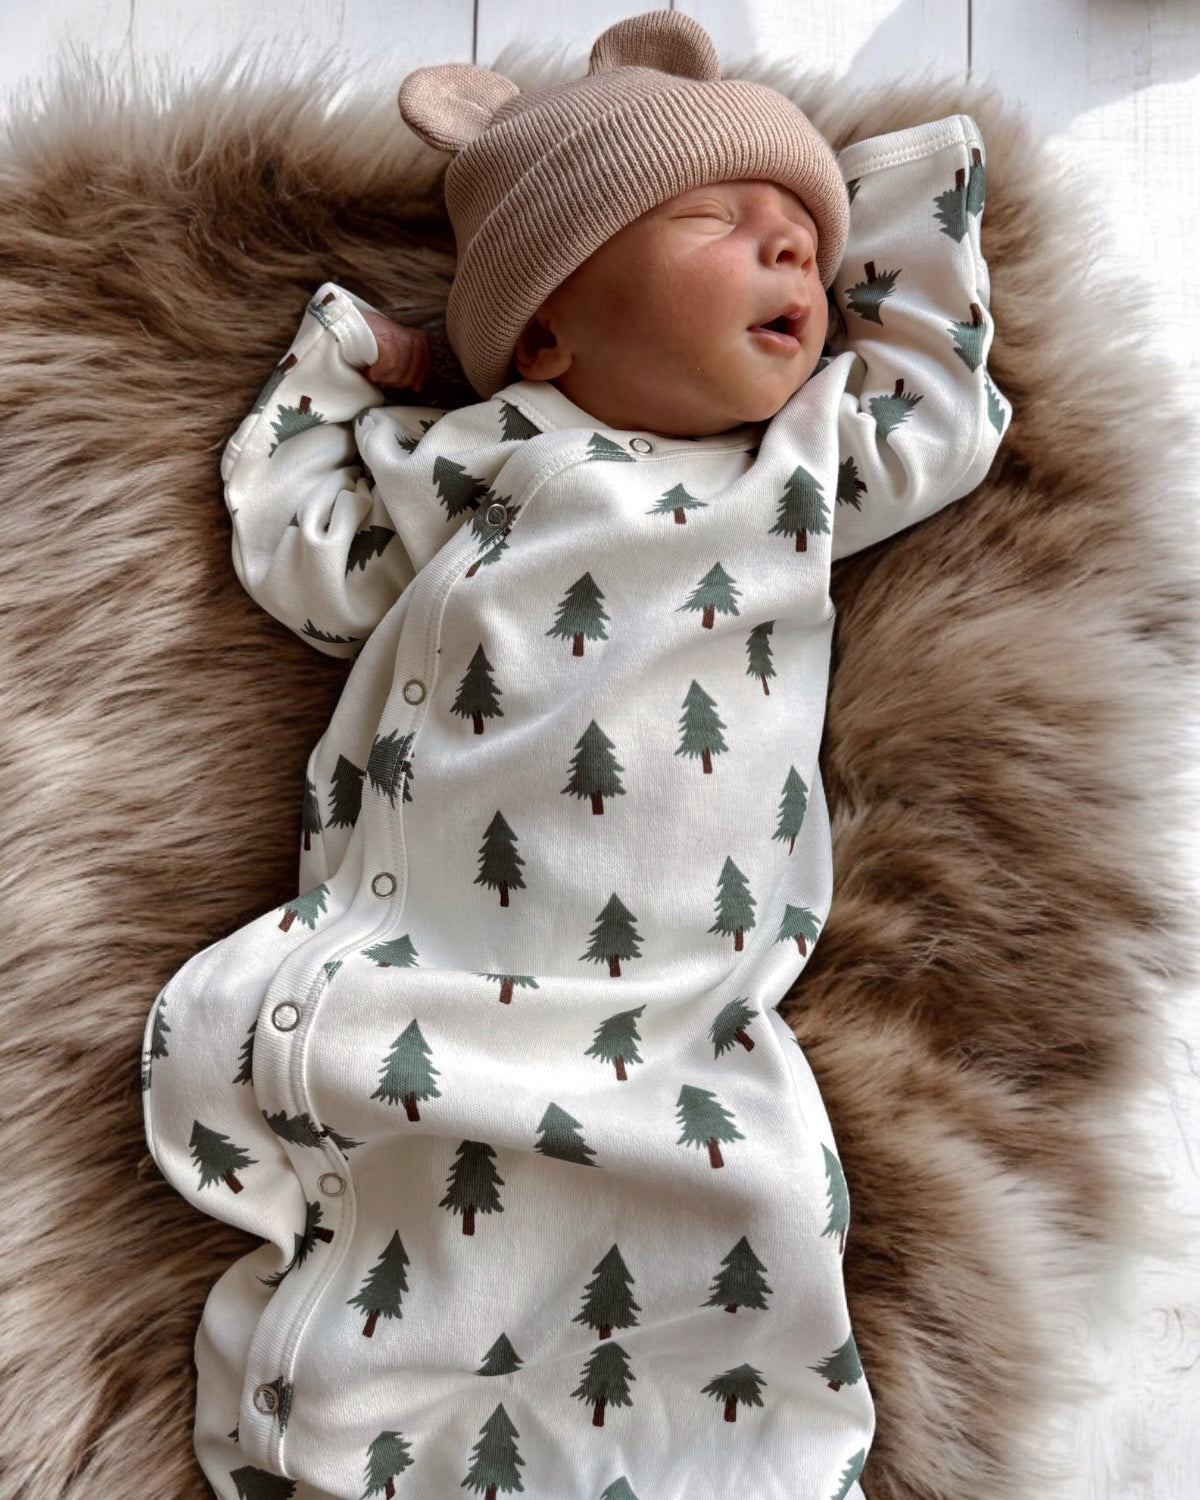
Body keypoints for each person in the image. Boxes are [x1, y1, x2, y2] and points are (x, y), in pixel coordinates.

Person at [141, 10, 1009, 1499]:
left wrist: (912, 195)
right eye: (721, 222)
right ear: (547, 325)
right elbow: (308, 560)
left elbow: (944, 409)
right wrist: (341, 368)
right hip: (422, 950)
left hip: (676, 999)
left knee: (741, 1205)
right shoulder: (474, 462)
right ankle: (347, 1434)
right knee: (407, 1187)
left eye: (808, 239)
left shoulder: (793, 477)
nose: (791, 254)